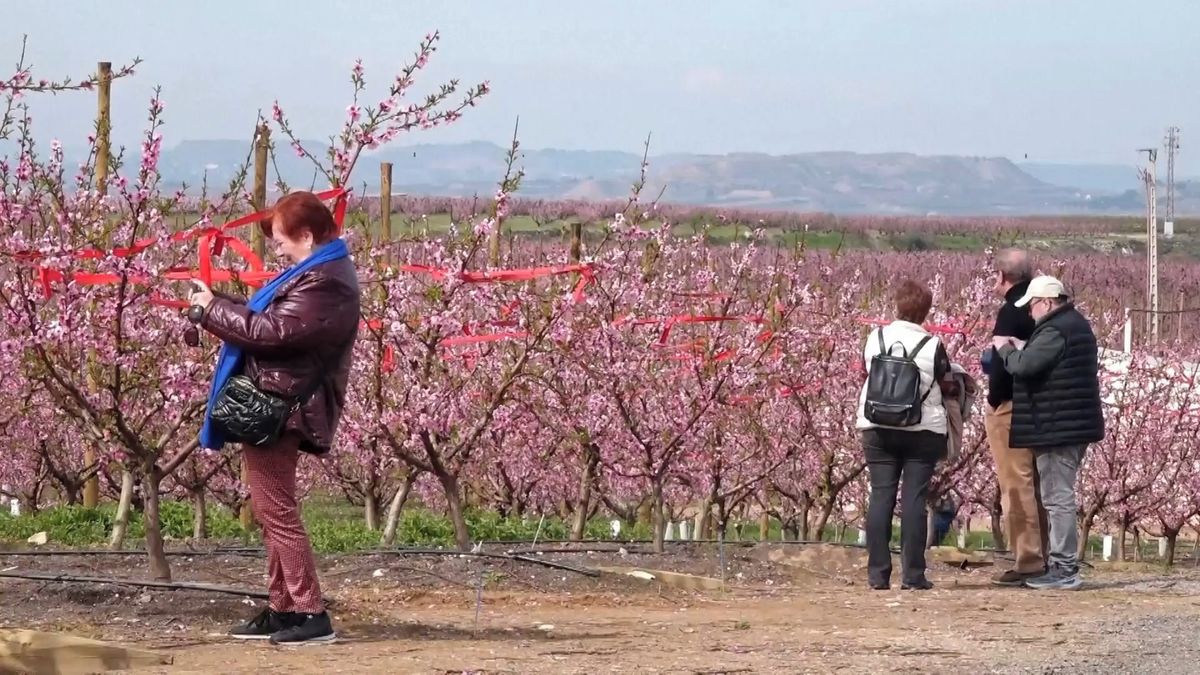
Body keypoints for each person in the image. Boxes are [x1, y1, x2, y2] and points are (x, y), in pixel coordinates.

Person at [187, 191, 360, 643]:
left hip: (284, 408)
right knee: (269, 509)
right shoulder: (316, 272)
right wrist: (216, 302)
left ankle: (310, 612)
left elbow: (275, 331)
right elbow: (267, 317)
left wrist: (212, 312)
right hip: (277, 403)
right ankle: (283, 608)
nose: (277, 250)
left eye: (282, 240)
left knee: (277, 510)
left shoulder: (326, 282)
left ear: (306, 235)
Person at [993, 275, 1103, 591]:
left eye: (1031, 306)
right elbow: (1047, 359)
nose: (1029, 313)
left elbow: (1026, 366)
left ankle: (1064, 568)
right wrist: (1025, 346)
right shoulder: (1072, 324)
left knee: (1057, 498)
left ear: (1046, 302)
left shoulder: (1056, 328)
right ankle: (1061, 565)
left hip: (1058, 427)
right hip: (1069, 423)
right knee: (1057, 495)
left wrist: (1005, 349)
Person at [856, 279, 956, 591]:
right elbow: (946, 382)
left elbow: (865, 372)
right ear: (926, 311)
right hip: (922, 429)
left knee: (881, 495)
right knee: (914, 498)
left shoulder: (876, 338)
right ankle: (913, 575)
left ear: (897, 305)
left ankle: (877, 574)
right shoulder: (933, 345)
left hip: (877, 426)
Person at [982, 249, 1049, 587]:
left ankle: (1028, 561)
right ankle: (1044, 555)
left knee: (1016, 485)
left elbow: (1001, 365)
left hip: (1010, 407)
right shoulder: (1043, 306)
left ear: (1003, 277)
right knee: (1035, 484)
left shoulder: (1011, 312)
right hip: (1039, 406)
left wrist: (994, 400)